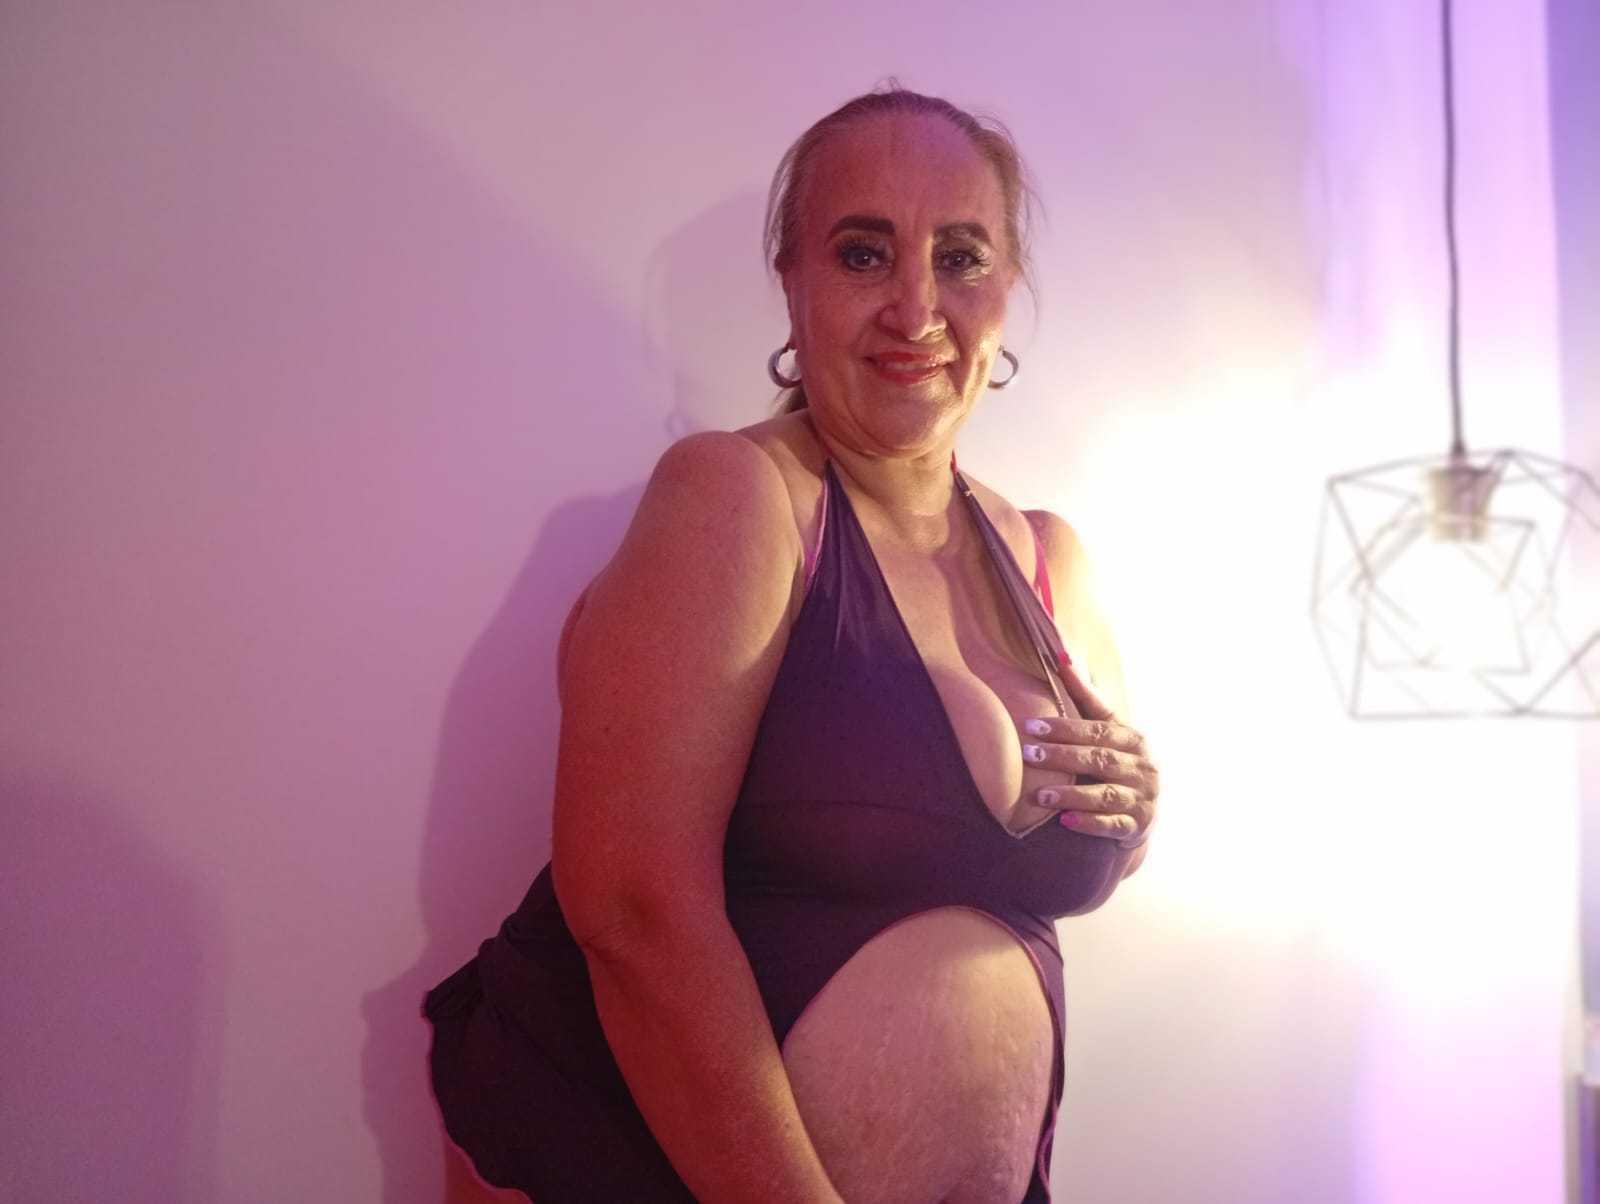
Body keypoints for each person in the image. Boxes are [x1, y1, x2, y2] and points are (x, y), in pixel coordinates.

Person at [423, 85, 1161, 1204]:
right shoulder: (737, 499)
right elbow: (631, 906)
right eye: (864, 254)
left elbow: (1030, 860)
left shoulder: (1055, 561)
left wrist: (1132, 816)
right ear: (792, 281)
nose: (916, 307)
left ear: (1006, 287)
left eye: (960, 257)